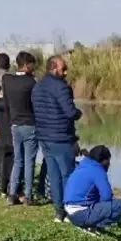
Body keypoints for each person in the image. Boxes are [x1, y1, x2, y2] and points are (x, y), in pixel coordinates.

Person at [32, 55, 82, 222]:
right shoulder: (60, 87)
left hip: (44, 137)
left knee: (53, 175)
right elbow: (70, 112)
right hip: (61, 137)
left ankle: (59, 211)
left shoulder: (37, 87)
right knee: (68, 175)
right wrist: (78, 113)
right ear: (53, 68)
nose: (66, 71)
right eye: (63, 68)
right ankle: (70, 210)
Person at [2, 51, 37, 205]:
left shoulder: (7, 80)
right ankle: (28, 195)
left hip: (14, 124)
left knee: (18, 160)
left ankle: (12, 193)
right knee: (29, 162)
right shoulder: (31, 83)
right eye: (32, 65)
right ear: (27, 65)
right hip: (30, 124)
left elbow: (6, 102)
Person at [64, 145, 121, 230]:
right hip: (80, 215)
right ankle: (96, 225)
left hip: (68, 211)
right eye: (108, 160)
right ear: (104, 161)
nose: (109, 164)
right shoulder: (98, 170)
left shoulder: (83, 164)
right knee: (120, 205)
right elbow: (107, 197)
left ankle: (88, 222)